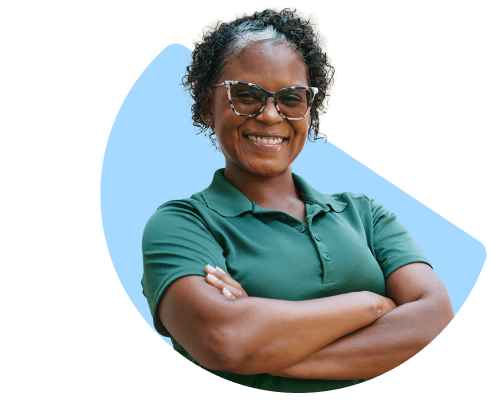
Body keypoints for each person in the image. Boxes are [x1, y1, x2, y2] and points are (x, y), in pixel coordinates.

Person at [141, 8, 454, 393]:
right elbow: (222, 338)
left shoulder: (365, 215)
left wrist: (265, 352)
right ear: (209, 105)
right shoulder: (182, 224)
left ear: (309, 110)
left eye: (291, 98)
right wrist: (372, 305)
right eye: (246, 95)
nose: (270, 115)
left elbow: (436, 321)